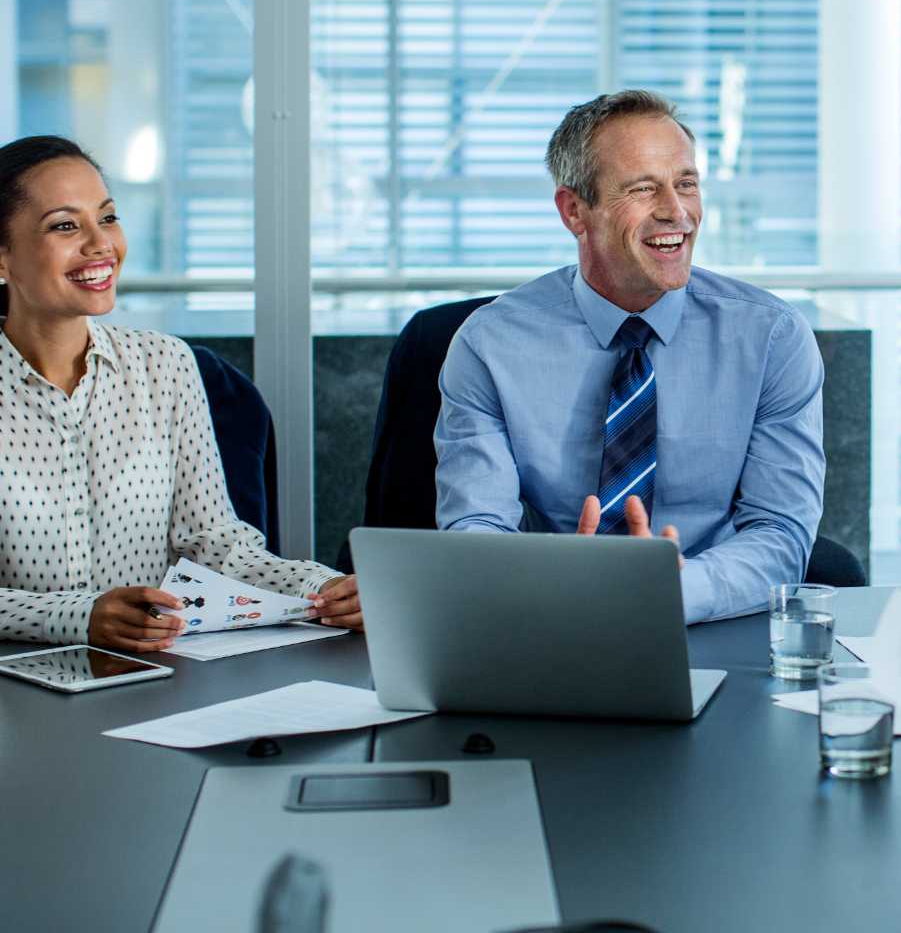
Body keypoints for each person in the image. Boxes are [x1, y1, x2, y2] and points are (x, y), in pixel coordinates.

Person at [434, 90, 825, 622]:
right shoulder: (490, 344)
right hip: (551, 614)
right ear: (575, 211)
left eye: (686, 184)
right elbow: (474, 528)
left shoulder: (772, 338)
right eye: (644, 189)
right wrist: (551, 581)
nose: (676, 211)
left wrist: (671, 590)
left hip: (714, 616)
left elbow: (780, 533)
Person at [0, 136, 364, 651]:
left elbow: (215, 545)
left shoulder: (165, 365)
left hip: (157, 678)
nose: (101, 244)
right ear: (3, 257)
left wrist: (323, 588)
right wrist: (78, 616)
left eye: (107, 218)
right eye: (64, 225)